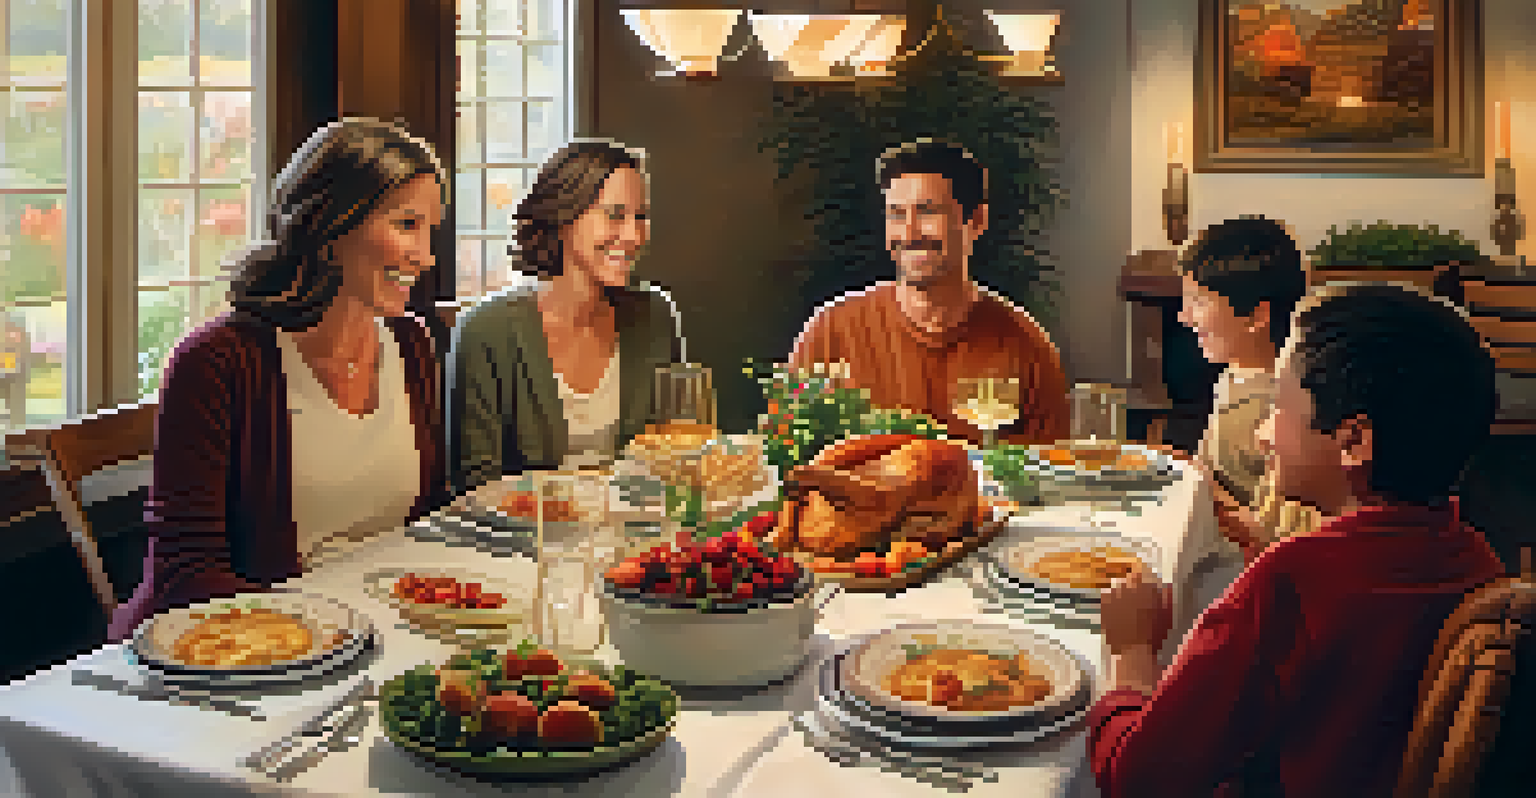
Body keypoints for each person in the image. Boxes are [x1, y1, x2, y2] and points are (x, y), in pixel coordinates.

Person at [1089, 281, 1505, 797]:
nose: (1263, 432)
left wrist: (1131, 655)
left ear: (1352, 441)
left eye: (1279, 405)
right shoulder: (1477, 560)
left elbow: (1139, 778)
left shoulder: (1292, 580)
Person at [108, 118, 450, 641]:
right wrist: (329, 632)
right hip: (232, 653)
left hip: (370, 637)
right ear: (330, 225)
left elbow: (420, 524)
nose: (425, 257)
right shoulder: (217, 362)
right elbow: (186, 574)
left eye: (430, 231)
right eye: (406, 225)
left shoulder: (411, 343)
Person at [788, 139, 1070, 447]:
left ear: (976, 222)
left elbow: (1048, 483)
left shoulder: (1026, 347)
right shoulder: (830, 333)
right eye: (896, 214)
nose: (908, 234)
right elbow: (789, 458)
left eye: (928, 212)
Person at [447, 139, 683, 492]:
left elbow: (680, 450)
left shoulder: (655, 316)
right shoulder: (486, 332)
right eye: (615, 215)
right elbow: (475, 485)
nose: (634, 236)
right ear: (563, 217)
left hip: (639, 538)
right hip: (521, 542)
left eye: (641, 216)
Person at [1177, 216, 1318, 561]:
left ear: (1257, 317)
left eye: (1199, 301)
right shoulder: (1235, 375)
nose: (1184, 316)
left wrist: (1197, 485)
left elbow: (1277, 541)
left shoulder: (1278, 413)